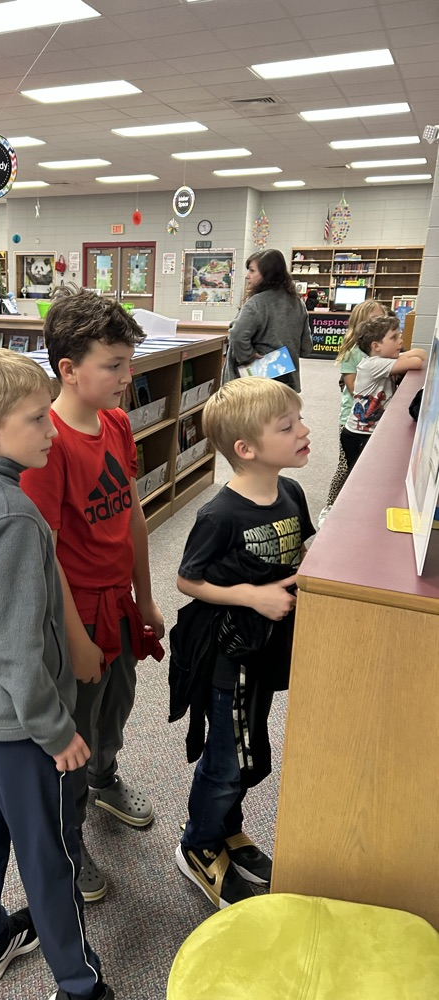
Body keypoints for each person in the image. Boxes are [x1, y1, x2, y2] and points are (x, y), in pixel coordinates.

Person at [0, 347, 113, 1000]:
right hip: (17, 726)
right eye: (37, 420)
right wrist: (54, 729)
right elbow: (13, 646)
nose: (52, 430)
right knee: (47, 854)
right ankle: (78, 981)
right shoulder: (13, 516)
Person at [21, 289, 165, 903]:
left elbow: (131, 510)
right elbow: (44, 554)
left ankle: (106, 777)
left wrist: (147, 596)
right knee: (74, 730)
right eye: (114, 365)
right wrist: (76, 642)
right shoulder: (45, 444)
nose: (126, 377)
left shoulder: (116, 421)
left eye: (128, 363)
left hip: (120, 604)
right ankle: (67, 839)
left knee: (118, 702)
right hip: (75, 615)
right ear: (69, 371)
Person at [170, 378, 315, 909]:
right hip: (229, 654)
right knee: (229, 757)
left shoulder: (291, 491)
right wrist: (252, 596)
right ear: (245, 450)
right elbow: (188, 579)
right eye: (288, 427)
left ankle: (227, 829)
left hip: (266, 647)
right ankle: (198, 845)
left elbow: (302, 549)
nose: (305, 431)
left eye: (298, 421)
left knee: (251, 746)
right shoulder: (220, 514)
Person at [318, 299, 387, 526]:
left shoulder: (385, 351)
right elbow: (354, 388)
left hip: (375, 419)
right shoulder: (353, 353)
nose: (380, 323)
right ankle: (330, 505)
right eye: (374, 320)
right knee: (345, 463)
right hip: (352, 418)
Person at [341, 316, 427, 471]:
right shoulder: (373, 365)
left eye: (399, 336)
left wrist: (402, 355)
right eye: (394, 337)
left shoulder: (383, 360)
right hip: (359, 435)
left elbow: (421, 353)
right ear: (376, 346)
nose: (400, 341)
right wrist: (406, 355)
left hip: (370, 432)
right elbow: (417, 361)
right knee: (362, 476)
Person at [222, 249, 313, 392]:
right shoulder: (297, 302)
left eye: (252, 271)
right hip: (286, 381)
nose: (247, 276)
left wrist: (248, 355)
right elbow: (306, 348)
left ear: (267, 274)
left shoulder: (257, 302)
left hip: (255, 382)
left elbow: (237, 335)